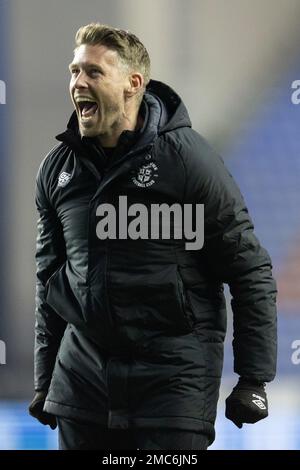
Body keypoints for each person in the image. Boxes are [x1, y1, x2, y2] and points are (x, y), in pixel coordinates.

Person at [28, 23, 277, 450]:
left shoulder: (189, 162)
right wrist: (45, 377)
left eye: (93, 72)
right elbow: (51, 280)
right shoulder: (57, 170)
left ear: (133, 84)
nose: (77, 83)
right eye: (74, 71)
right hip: (83, 386)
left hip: (172, 386)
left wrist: (254, 378)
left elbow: (249, 268)